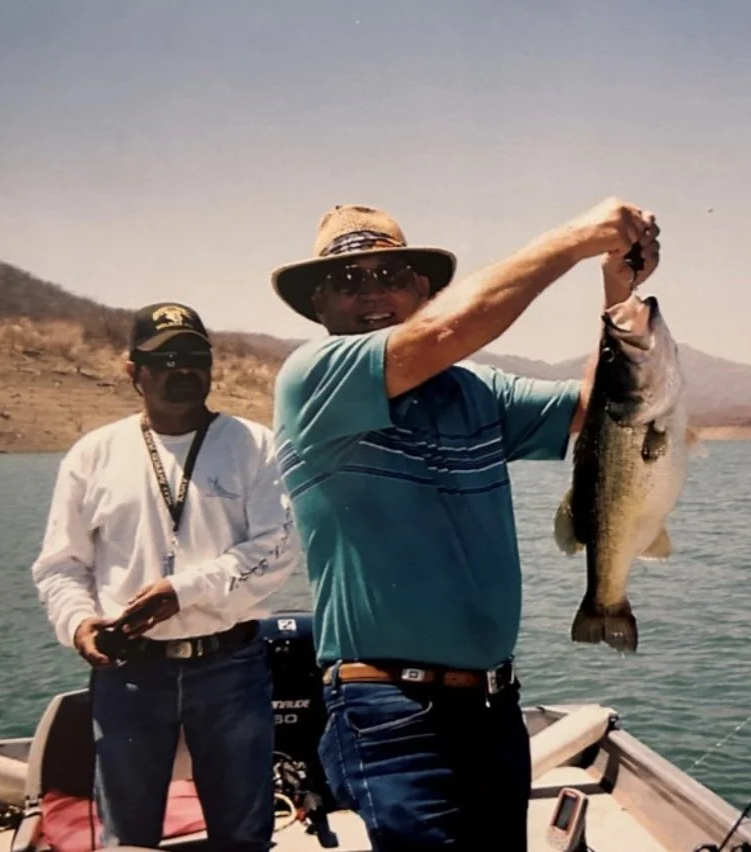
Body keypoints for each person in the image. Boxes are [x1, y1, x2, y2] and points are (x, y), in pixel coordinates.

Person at [268, 200, 660, 850]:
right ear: (319, 305)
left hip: (492, 709)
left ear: (423, 288)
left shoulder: (477, 391)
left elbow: (603, 407)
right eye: (346, 280)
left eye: (391, 275)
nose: (371, 293)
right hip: (388, 712)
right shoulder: (313, 380)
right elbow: (451, 329)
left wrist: (618, 290)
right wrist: (575, 239)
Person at [31, 302, 300, 852]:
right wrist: (78, 623)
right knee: (127, 838)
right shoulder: (94, 454)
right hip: (129, 672)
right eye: (165, 360)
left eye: (195, 357)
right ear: (133, 371)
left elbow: (277, 549)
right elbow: (61, 564)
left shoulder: (257, 446)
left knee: (244, 837)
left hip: (231, 666)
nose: (182, 370)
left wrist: (184, 591)